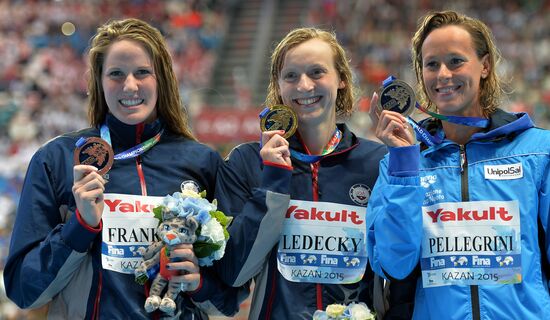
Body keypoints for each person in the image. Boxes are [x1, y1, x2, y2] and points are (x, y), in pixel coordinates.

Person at [3, 18, 245, 319]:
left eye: (142, 72)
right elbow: (23, 290)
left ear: (162, 79)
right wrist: (80, 226)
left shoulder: (201, 162)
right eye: (116, 74)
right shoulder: (57, 159)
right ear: (99, 81)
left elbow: (231, 298)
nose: (130, 85)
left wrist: (199, 283)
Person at [214, 27, 415, 319]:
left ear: (342, 79)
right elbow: (233, 273)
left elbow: (398, 267)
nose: (304, 86)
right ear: (278, 85)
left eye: (317, 72)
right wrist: (272, 183)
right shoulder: (248, 161)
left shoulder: (376, 161)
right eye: (291, 76)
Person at [366, 10, 550, 319]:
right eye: (432, 64)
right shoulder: (399, 164)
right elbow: (394, 266)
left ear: (485, 66)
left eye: (456, 61)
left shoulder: (538, 152)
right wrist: (404, 167)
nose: (443, 75)